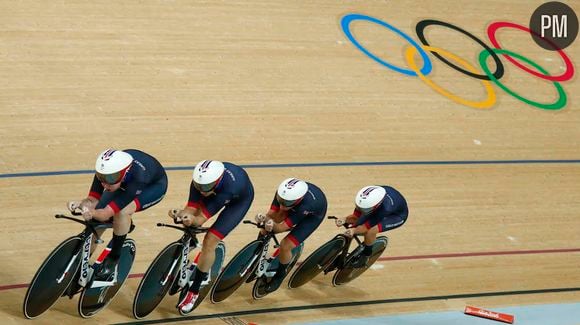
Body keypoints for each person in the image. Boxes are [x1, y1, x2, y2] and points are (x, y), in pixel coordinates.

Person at [68, 148, 168, 284]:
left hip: (152, 187)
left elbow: (105, 214)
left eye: (110, 179)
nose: (104, 184)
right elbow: (92, 201)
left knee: (122, 212)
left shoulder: (138, 178)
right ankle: (79, 262)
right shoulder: (106, 173)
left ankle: (114, 257)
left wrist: (93, 212)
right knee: (95, 222)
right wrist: (81, 204)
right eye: (101, 178)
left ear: (124, 173)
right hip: (125, 183)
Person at [175, 160, 254, 314]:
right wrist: (181, 214)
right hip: (217, 190)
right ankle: (193, 243)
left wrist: (192, 220)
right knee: (188, 220)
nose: (201, 190)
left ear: (216, 181)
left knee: (210, 240)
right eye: (199, 187)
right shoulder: (200, 182)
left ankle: (195, 290)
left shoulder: (229, 189)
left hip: (238, 202)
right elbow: (191, 207)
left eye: (204, 187)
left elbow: (200, 219)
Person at [255, 178, 327, 294]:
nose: (282, 206)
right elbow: (271, 214)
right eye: (281, 201)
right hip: (296, 206)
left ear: (298, 200)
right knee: (266, 227)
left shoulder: (306, 206)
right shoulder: (282, 194)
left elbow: (280, 228)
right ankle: (256, 255)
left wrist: (270, 224)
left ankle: (280, 275)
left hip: (311, 217)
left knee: (285, 245)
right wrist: (264, 220)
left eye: (287, 203)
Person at [336, 185, 408, 268]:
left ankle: (366, 255)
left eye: (365, 209)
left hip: (396, 216)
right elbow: (355, 217)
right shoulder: (365, 198)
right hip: (378, 207)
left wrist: (354, 230)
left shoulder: (385, 208)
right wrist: (344, 219)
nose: (362, 209)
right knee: (357, 224)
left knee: (371, 231)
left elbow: (365, 228)